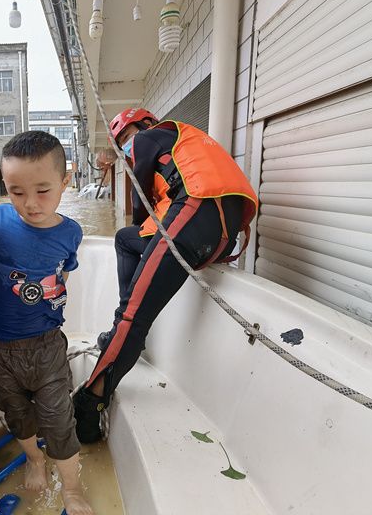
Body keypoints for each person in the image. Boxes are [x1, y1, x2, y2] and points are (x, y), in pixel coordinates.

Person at [72, 108, 259, 444]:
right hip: (220, 232)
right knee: (124, 241)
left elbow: (140, 198)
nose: (129, 147)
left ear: (144, 126)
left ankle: (91, 398)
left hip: (195, 212)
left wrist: (138, 207)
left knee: (132, 314)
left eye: (127, 138)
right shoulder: (187, 142)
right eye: (122, 144)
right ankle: (125, 336)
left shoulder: (150, 137)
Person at [0, 131, 93, 515]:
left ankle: (73, 488)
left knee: (59, 417)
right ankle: (33, 458)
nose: (29, 203)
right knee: (14, 412)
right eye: (16, 191)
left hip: (46, 344)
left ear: (66, 181)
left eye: (43, 190)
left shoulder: (71, 232)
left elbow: (63, 274)